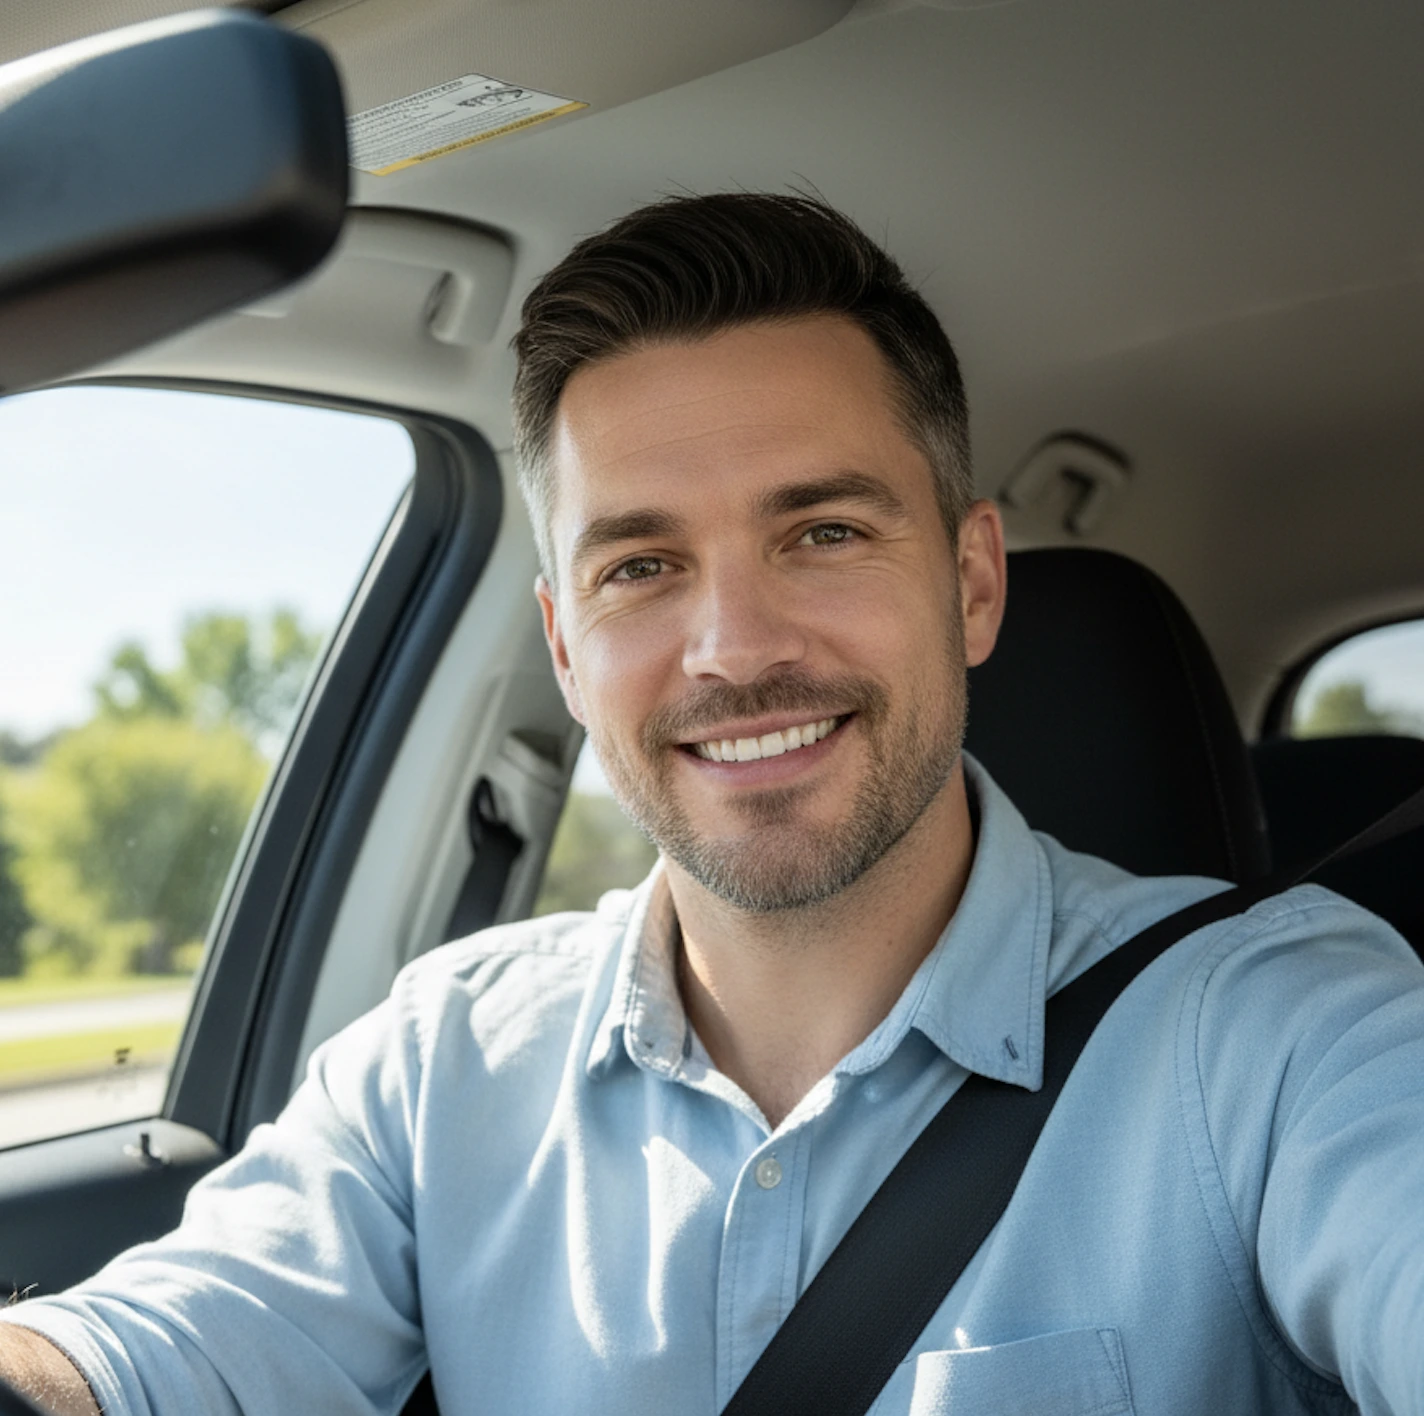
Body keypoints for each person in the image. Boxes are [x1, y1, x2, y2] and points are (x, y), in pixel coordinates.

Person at [2, 192, 1422, 1416]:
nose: (736, 649)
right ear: (566, 647)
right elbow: (155, 1350)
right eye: (640, 565)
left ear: (974, 582)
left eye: (823, 532)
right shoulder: (443, 1064)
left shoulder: (1283, 1030)